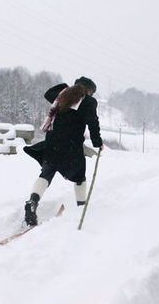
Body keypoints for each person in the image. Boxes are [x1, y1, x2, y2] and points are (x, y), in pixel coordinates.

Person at [22, 76, 103, 226]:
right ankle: (81, 206)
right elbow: (93, 122)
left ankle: (32, 201)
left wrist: (66, 87)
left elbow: (48, 94)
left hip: (52, 142)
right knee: (79, 177)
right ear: (89, 90)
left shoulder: (62, 95)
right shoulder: (88, 101)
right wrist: (98, 142)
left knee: (46, 173)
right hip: (72, 146)